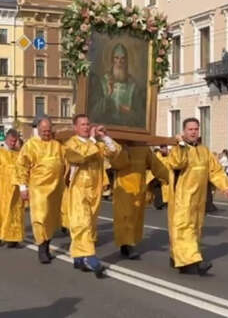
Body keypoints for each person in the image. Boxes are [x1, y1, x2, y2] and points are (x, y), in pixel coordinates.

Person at [165, 118, 228, 275]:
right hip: (182, 198)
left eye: (196, 129)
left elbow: (214, 171)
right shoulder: (178, 149)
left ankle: (177, 256)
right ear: (184, 131)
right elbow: (177, 163)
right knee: (184, 228)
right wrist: (180, 145)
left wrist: (225, 186)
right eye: (190, 129)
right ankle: (192, 262)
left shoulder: (204, 151)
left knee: (195, 229)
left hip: (199, 199)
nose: (193, 132)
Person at [63, 115, 120, 277]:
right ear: (76, 127)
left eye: (88, 124)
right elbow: (81, 156)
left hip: (94, 190)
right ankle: (90, 257)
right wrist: (94, 140)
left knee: (90, 224)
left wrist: (104, 136)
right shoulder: (71, 144)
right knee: (82, 223)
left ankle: (79, 257)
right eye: (82, 125)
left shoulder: (96, 143)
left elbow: (113, 151)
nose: (86, 127)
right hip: (78, 190)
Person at [16, 118, 65, 264]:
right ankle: (41, 249)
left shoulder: (57, 145)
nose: (46, 133)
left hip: (56, 188)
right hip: (38, 188)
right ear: (38, 129)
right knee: (40, 217)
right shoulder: (31, 145)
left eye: (48, 130)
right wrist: (23, 187)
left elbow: (67, 159)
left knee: (50, 219)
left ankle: (47, 245)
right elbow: (21, 166)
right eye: (43, 131)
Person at [111, 145, 168, 260]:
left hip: (139, 188)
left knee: (136, 219)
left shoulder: (144, 149)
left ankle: (128, 243)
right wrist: (122, 151)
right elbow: (116, 164)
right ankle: (128, 245)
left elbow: (156, 165)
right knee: (125, 216)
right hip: (124, 188)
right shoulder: (119, 146)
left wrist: (170, 177)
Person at [89, 44, 146, 128]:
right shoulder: (102, 82)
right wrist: (108, 96)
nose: (119, 62)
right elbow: (93, 114)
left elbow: (141, 119)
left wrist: (129, 111)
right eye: (116, 58)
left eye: (122, 58)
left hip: (127, 131)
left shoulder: (134, 87)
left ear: (126, 61)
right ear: (112, 60)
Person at [0, 129, 23, 248]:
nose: (13, 143)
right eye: (11, 141)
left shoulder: (19, 154)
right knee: (1, 214)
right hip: (2, 189)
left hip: (16, 191)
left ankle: (14, 238)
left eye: (15, 141)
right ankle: (0, 235)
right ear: (6, 140)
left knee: (16, 215)